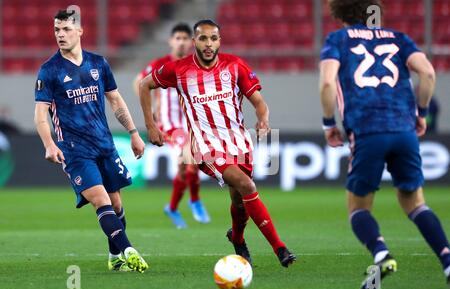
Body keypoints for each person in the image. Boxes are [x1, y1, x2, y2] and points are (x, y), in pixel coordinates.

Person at [139, 19, 296, 267]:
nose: (209, 43)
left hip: (239, 143)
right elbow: (144, 84)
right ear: (195, 41)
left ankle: (237, 238)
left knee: (239, 201)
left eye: (213, 38)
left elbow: (258, 102)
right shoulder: (179, 69)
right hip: (205, 146)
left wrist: (263, 119)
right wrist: (151, 125)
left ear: (219, 41)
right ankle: (280, 249)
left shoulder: (235, 65)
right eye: (203, 38)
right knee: (247, 184)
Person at [319, 0, 450, 289]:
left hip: (367, 131)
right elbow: (428, 73)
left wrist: (329, 123)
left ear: (338, 13)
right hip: (403, 130)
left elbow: (327, 83)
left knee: (358, 208)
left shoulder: (337, 40)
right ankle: (447, 262)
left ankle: (381, 254)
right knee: (415, 203)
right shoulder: (398, 37)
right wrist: (421, 112)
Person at [34, 9, 148, 273]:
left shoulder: (98, 63)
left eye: (66, 30)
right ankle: (129, 249)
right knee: (101, 200)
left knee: (116, 203)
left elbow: (116, 100)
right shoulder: (49, 70)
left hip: (104, 144)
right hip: (74, 150)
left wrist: (133, 132)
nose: (60, 35)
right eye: (56, 30)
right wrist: (49, 144)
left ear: (80, 31)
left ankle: (114, 256)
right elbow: (40, 113)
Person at [133, 23, 210, 229]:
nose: (182, 42)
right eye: (178, 38)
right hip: (169, 125)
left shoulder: (197, 64)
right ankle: (194, 200)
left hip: (191, 125)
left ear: (192, 42)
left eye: (186, 39)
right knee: (191, 160)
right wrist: (150, 112)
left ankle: (173, 207)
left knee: (185, 170)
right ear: (171, 41)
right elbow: (139, 82)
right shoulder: (160, 64)